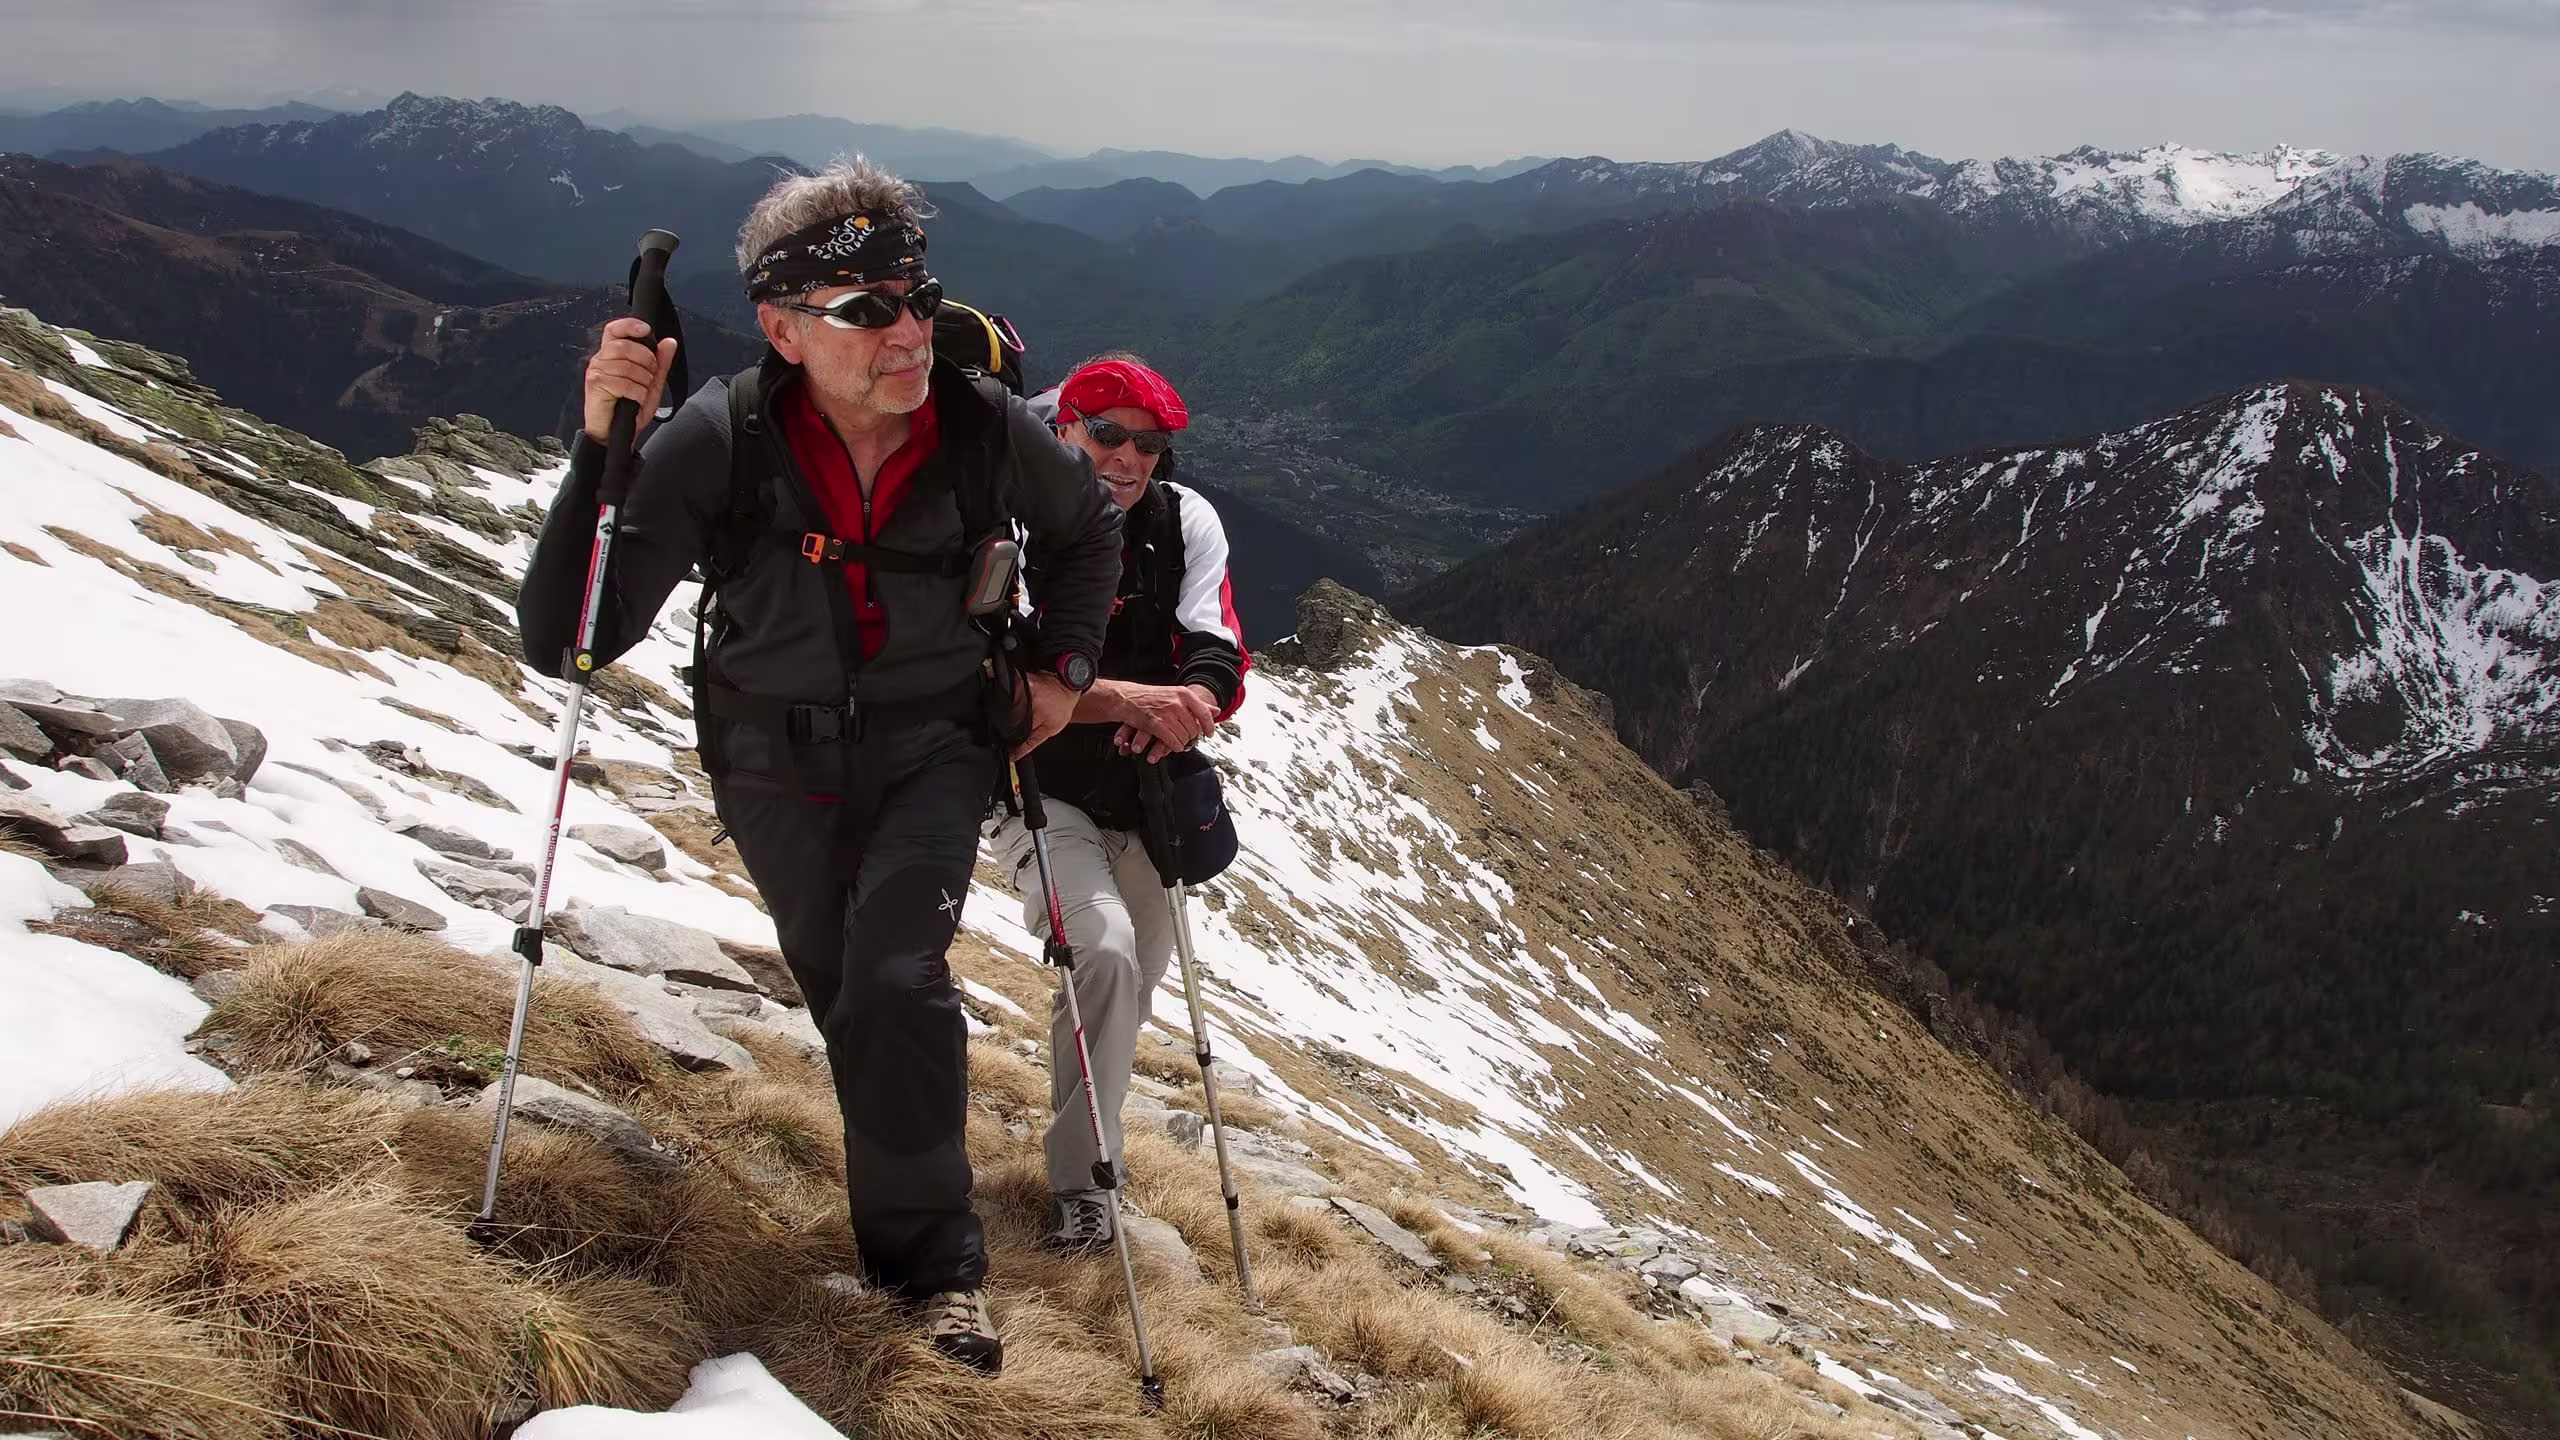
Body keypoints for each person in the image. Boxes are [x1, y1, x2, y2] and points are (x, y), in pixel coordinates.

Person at [518, 160, 1124, 1375]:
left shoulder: (978, 423)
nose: (907, 332)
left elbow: (1083, 531)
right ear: (784, 331)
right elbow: (570, 635)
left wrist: (1059, 673)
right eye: (865, 310)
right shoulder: (720, 436)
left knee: (898, 978)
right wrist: (604, 450)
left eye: (915, 296)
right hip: (767, 758)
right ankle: (899, 1188)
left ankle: (934, 1280)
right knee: (846, 989)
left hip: (938, 744)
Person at [996, 354, 1247, 1251]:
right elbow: (1006, 675)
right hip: (1040, 783)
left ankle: (1080, 1157)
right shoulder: (1012, 513)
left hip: (1145, 794)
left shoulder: (1187, 522)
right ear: (1064, 425)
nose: (1130, 458)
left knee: (1122, 993)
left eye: (1148, 444)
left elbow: (1216, 641)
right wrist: (1135, 702)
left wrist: (1188, 712)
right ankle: (1086, 1186)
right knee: (1099, 955)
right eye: (1108, 434)